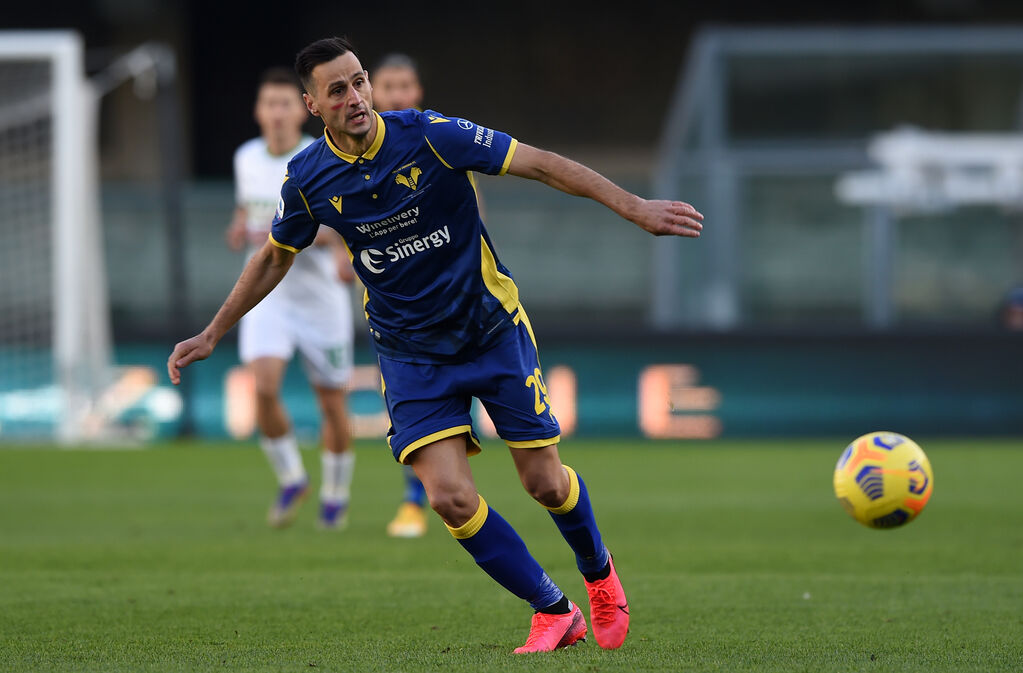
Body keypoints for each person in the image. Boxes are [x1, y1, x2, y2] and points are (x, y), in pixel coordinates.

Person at [169, 37, 703, 653]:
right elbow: (273, 256)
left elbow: (540, 162)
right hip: (409, 353)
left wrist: (633, 206)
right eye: (337, 90)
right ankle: (552, 610)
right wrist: (213, 332)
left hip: (490, 329)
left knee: (545, 483)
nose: (355, 98)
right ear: (313, 106)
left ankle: (599, 574)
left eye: (359, 81)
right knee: (449, 497)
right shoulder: (309, 178)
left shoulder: (429, 136)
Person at [225, 67, 357, 530]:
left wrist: (330, 245)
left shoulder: (320, 156)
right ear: (258, 112)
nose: (277, 113)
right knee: (262, 387)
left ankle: (336, 494)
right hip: (269, 297)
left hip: (320, 298)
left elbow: (344, 219)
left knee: (331, 402)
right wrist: (240, 226)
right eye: (269, 104)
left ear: (301, 110)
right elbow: (248, 208)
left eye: (285, 103)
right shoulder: (246, 158)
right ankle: (292, 479)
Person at [370, 54, 430, 538]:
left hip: (452, 302)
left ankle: (440, 492)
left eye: (404, 85)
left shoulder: (438, 142)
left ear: (418, 93)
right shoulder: (351, 160)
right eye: (386, 85)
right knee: (406, 402)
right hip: (392, 304)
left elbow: (474, 218)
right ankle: (415, 498)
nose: (395, 95)